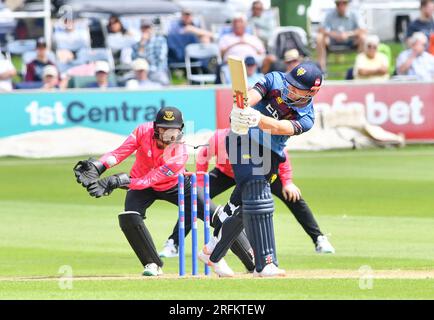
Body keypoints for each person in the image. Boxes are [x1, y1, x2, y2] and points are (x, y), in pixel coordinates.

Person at [73, 107, 255, 276]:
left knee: (220, 217)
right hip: (141, 185)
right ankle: (152, 264)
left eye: (173, 130)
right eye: (164, 129)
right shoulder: (142, 131)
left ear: (180, 129)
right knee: (129, 216)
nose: (169, 135)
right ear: (155, 128)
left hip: (175, 185)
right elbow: (120, 152)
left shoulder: (180, 153)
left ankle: (251, 261)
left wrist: (120, 181)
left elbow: (151, 179)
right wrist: (100, 166)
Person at [199, 61, 324, 277]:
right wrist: (243, 109)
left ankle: (212, 252)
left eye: (296, 88)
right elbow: (252, 95)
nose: (289, 88)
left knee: (244, 207)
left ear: (311, 92)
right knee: (257, 193)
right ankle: (266, 264)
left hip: (270, 155)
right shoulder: (275, 79)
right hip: (242, 139)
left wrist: (258, 118)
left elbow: (280, 127)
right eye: (290, 83)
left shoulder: (307, 117)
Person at [159, 128, 335, 260]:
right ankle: (173, 243)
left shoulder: (258, 136)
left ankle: (319, 239)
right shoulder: (219, 137)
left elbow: (282, 156)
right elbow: (203, 156)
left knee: (294, 198)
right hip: (225, 174)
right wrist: (198, 185)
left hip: (256, 173)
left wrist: (287, 182)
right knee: (195, 201)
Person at [316, 0, 366, 71]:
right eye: (338, 3)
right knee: (319, 37)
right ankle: (321, 70)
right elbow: (321, 29)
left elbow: (363, 29)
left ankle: (362, 68)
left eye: (344, 3)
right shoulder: (329, 14)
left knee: (363, 37)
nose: (341, 6)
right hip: (332, 41)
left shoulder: (355, 13)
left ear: (348, 4)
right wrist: (335, 34)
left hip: (351, 41)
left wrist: (348, 34)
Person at [219, 13, 266, 83]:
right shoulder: (225, 38)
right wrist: (236, 43)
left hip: (251, 65)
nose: (237, 24)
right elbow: (221, 54)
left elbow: (262, 52)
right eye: (235, 22)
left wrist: (248, 44)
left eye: (240, 22)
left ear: (245, 24)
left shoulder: (252, 38)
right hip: (232, 65)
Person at [126, 20, 169, 85]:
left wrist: (146, 67)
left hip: (156, 71)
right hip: (140, 72)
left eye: (148, 27)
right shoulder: (136, 45)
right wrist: (142, 46)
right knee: (128, 82)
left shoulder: (160, 40)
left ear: (152, 28)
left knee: (163, 81)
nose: (146, 30)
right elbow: (135, 61)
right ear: (140, 29)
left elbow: (160, 59)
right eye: (143, 27)